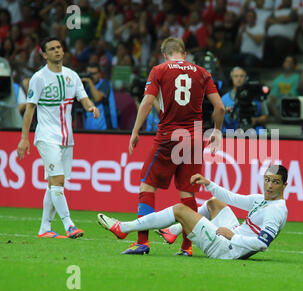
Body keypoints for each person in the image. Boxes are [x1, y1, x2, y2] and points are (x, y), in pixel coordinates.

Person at [121, 37, 225, 256]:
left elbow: (148, 101)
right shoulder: (202, 72)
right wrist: (216, 130)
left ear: (165, 54)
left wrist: (135, 130)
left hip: (169, 136)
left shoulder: (159, 69)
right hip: (195, 138)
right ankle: (187, 247)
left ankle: (142, 243)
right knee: (188, 194)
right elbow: (220, 107)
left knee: (147, 187)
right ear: (184, 54)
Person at [98, 165, 288, 260]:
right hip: (234, 235)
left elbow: (262, 244)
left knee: (181, 209)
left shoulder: (276, 210)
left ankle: (123, 228)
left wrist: (232, 237)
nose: (269, 186)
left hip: (227, 248)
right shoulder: (262, 200)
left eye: (275, 182)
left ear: (284, 185)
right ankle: (173, 231)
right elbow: (231, 198)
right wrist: (209, 184)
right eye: (267, 180)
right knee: (214, 202)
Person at [17, 37, 100, 239]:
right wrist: (24, 138)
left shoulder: (72, 76)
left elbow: (83, 97)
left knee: (53, 184)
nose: (57, 51)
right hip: (46, 136)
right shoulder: (39, 78)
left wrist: (91, 107)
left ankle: (44, 228)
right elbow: (30, 109)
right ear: (44, 55)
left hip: (66, 138)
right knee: (58, 180)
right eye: (52, 49)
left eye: (59, 47)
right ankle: (69, 225)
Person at [221, 66, 269, 134]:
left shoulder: (257, 96)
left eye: (241, 76)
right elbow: (215, 116)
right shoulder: (224, 99)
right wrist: (225, 111)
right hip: (231, 131)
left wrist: (256, 120)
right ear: (231, 78)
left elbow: (266, 117)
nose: (239, 78)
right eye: (236, 76)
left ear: (246, 78)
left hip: (253, 130)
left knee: (263, 132)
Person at [81, 63, 118, 130]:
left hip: (106, 128)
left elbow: (97, 98)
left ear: (99, 74)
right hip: (89, 129)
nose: (91, 76)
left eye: (93, 74)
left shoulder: (105, 84)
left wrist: (89, 82)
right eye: (89, 74)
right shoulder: (86, 88)